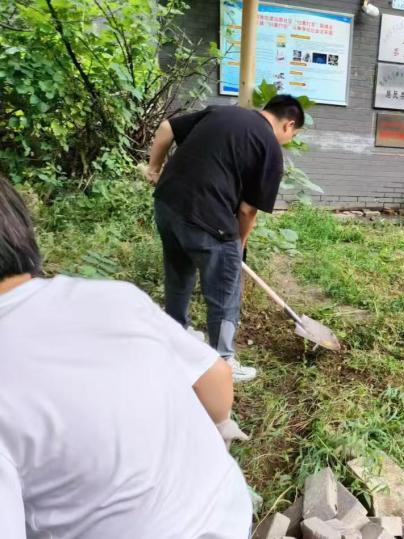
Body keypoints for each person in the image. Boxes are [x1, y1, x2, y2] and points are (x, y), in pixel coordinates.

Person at [0, 176, 253, 538]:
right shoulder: (117, 297)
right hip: (227, 515)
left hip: (179, 214)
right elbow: (216, 376)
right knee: (208, 291)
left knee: (188, 286)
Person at [144, 95, 304, 382]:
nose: (288, 140)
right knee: (225, 290)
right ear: (288, 125)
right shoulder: (269, 146)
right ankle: (223, 361)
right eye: (293, 134)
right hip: (209, 217)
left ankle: (175, 335)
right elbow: (247, 209)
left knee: (178, 272)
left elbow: (167, 128)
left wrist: (154, 168)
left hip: (168, 204)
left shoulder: (221, 113)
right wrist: (237, 248)